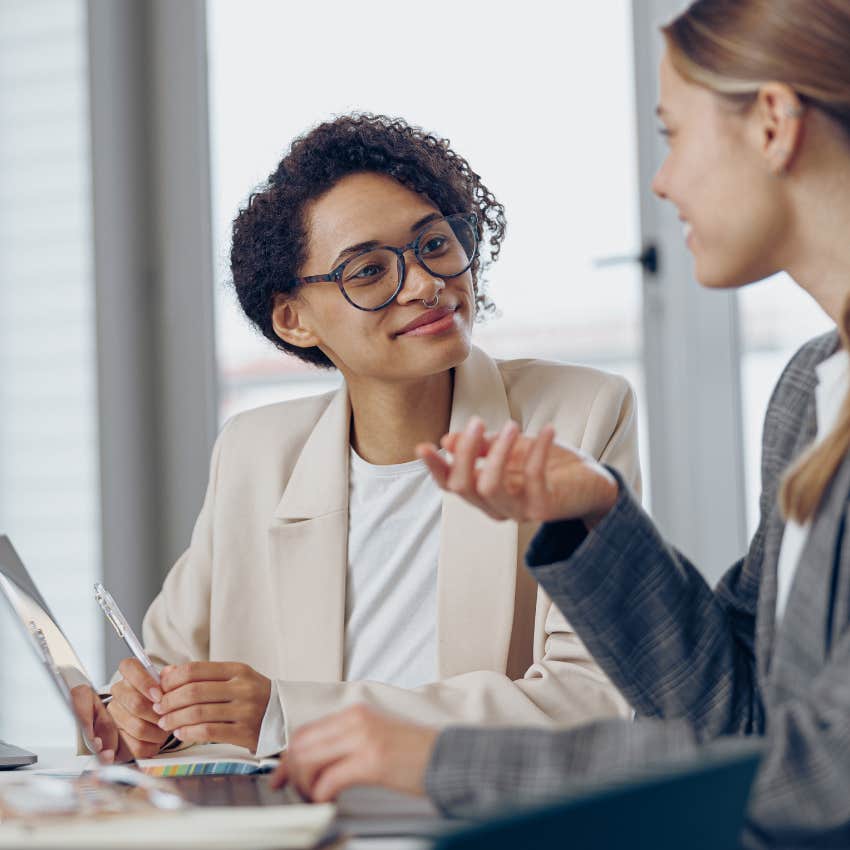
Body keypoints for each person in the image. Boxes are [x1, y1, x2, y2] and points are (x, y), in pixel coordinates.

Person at [269, 2, 850, 846]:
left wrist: (444, 762)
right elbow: (743, 711)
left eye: (673, 134)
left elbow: (825, 775)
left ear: (771, 123)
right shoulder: (809, 392)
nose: (663, 181)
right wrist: (596, 523)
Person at [104, 114, 640, 760]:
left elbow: (591, 700)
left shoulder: (581, 414)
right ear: (294, 319)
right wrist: (135, 711)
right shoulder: (253, 455)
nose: (425, 285)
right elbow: (161, 671)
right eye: (368, 272)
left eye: (436, 244)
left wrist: (289, 714)